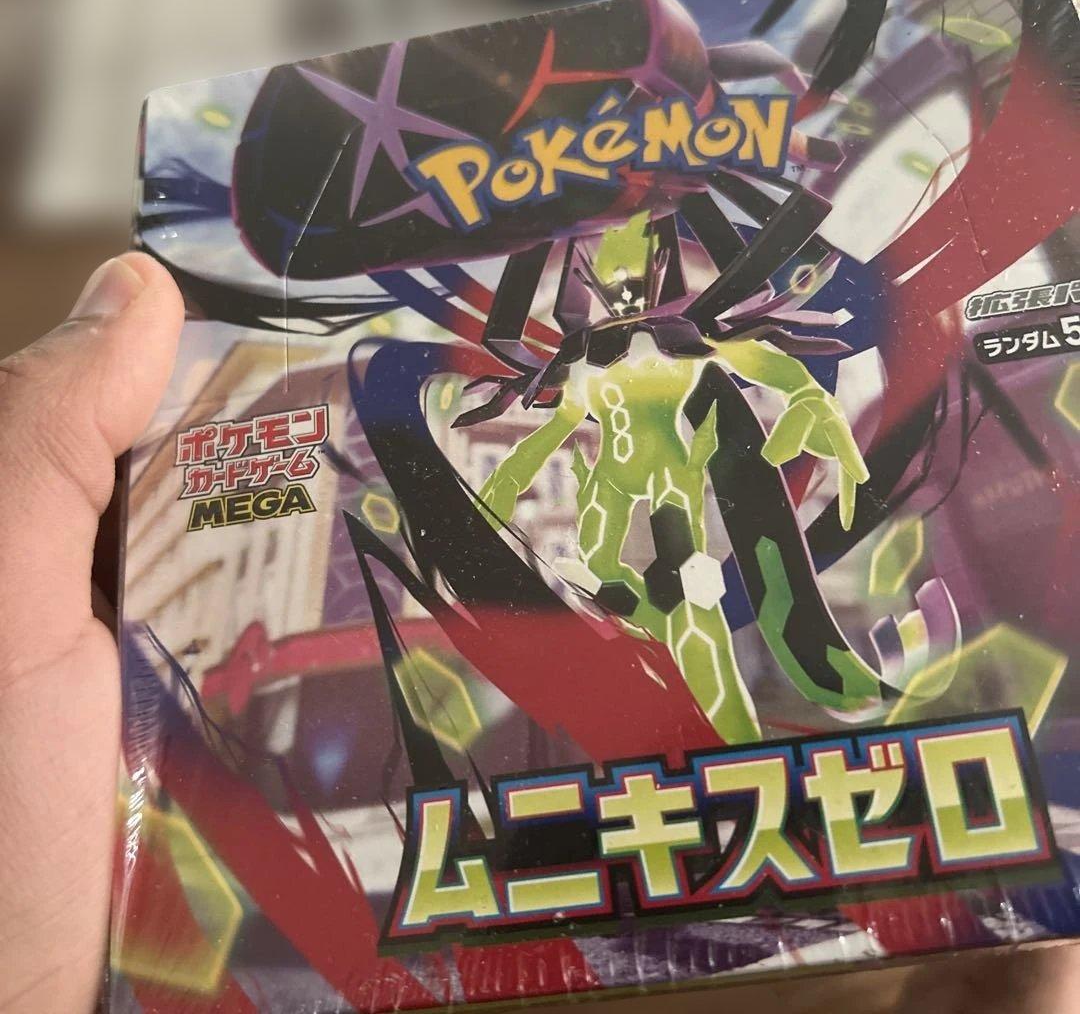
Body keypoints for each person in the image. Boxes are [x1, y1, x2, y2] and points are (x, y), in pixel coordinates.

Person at [0, 254, 1076, 1012]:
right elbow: (549, 437)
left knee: (711, 675)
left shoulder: (704, 377)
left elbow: (782, 399)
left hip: (660, 584)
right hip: (597, 583)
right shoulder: (587, 384)